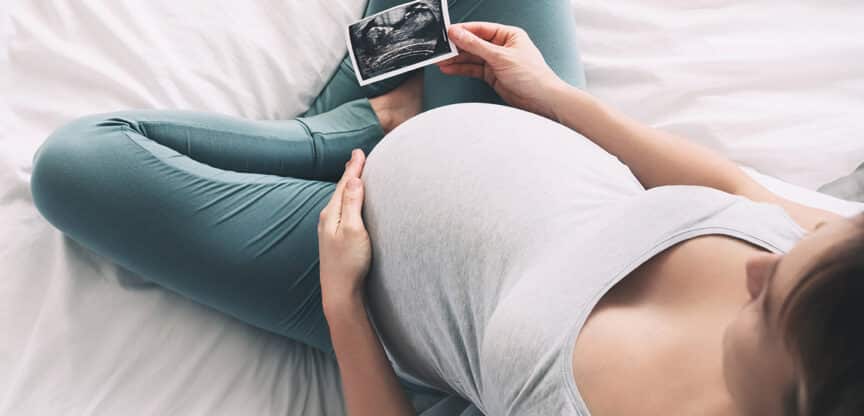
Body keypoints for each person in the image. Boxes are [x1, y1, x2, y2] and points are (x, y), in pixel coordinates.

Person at [28, 0, 862, 415]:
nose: (760, 265)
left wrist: (344, 301)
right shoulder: (841, 276)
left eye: (766, 304)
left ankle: (342, 129)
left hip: (366, 272)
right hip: (525, 126)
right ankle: (376, 116)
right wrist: (556, 95)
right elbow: (735, 190)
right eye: (791, 251)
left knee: (80, 162)